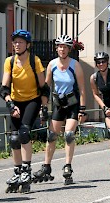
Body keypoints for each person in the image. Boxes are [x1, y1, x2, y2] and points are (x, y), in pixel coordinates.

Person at [0, 29, 50, 193]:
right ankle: (17, 171)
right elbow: (4, 89)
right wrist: (10, 105)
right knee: (14, 139)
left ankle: (26, 170)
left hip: (32, 100)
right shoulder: (10, 61)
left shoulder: (35, 61)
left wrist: (44, 108)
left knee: (23, 133)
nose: (17, 45)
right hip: (15, 102)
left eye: (20, 42)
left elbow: (44, 89)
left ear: (27, 45)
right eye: (15, 42)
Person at [33, 35, 86, 185]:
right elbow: (46, 87)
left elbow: (82, 89)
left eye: (65, 47)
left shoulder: (75, 65)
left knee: (69, 135)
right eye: (60, 46)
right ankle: (46, 166)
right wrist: (43, 107)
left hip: (73, 104)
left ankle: (68, 166)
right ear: (57, 48)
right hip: (58, 104)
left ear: (69, 49)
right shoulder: (52, 64)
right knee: (52, 136)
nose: (62, 49)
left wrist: (82, 110)